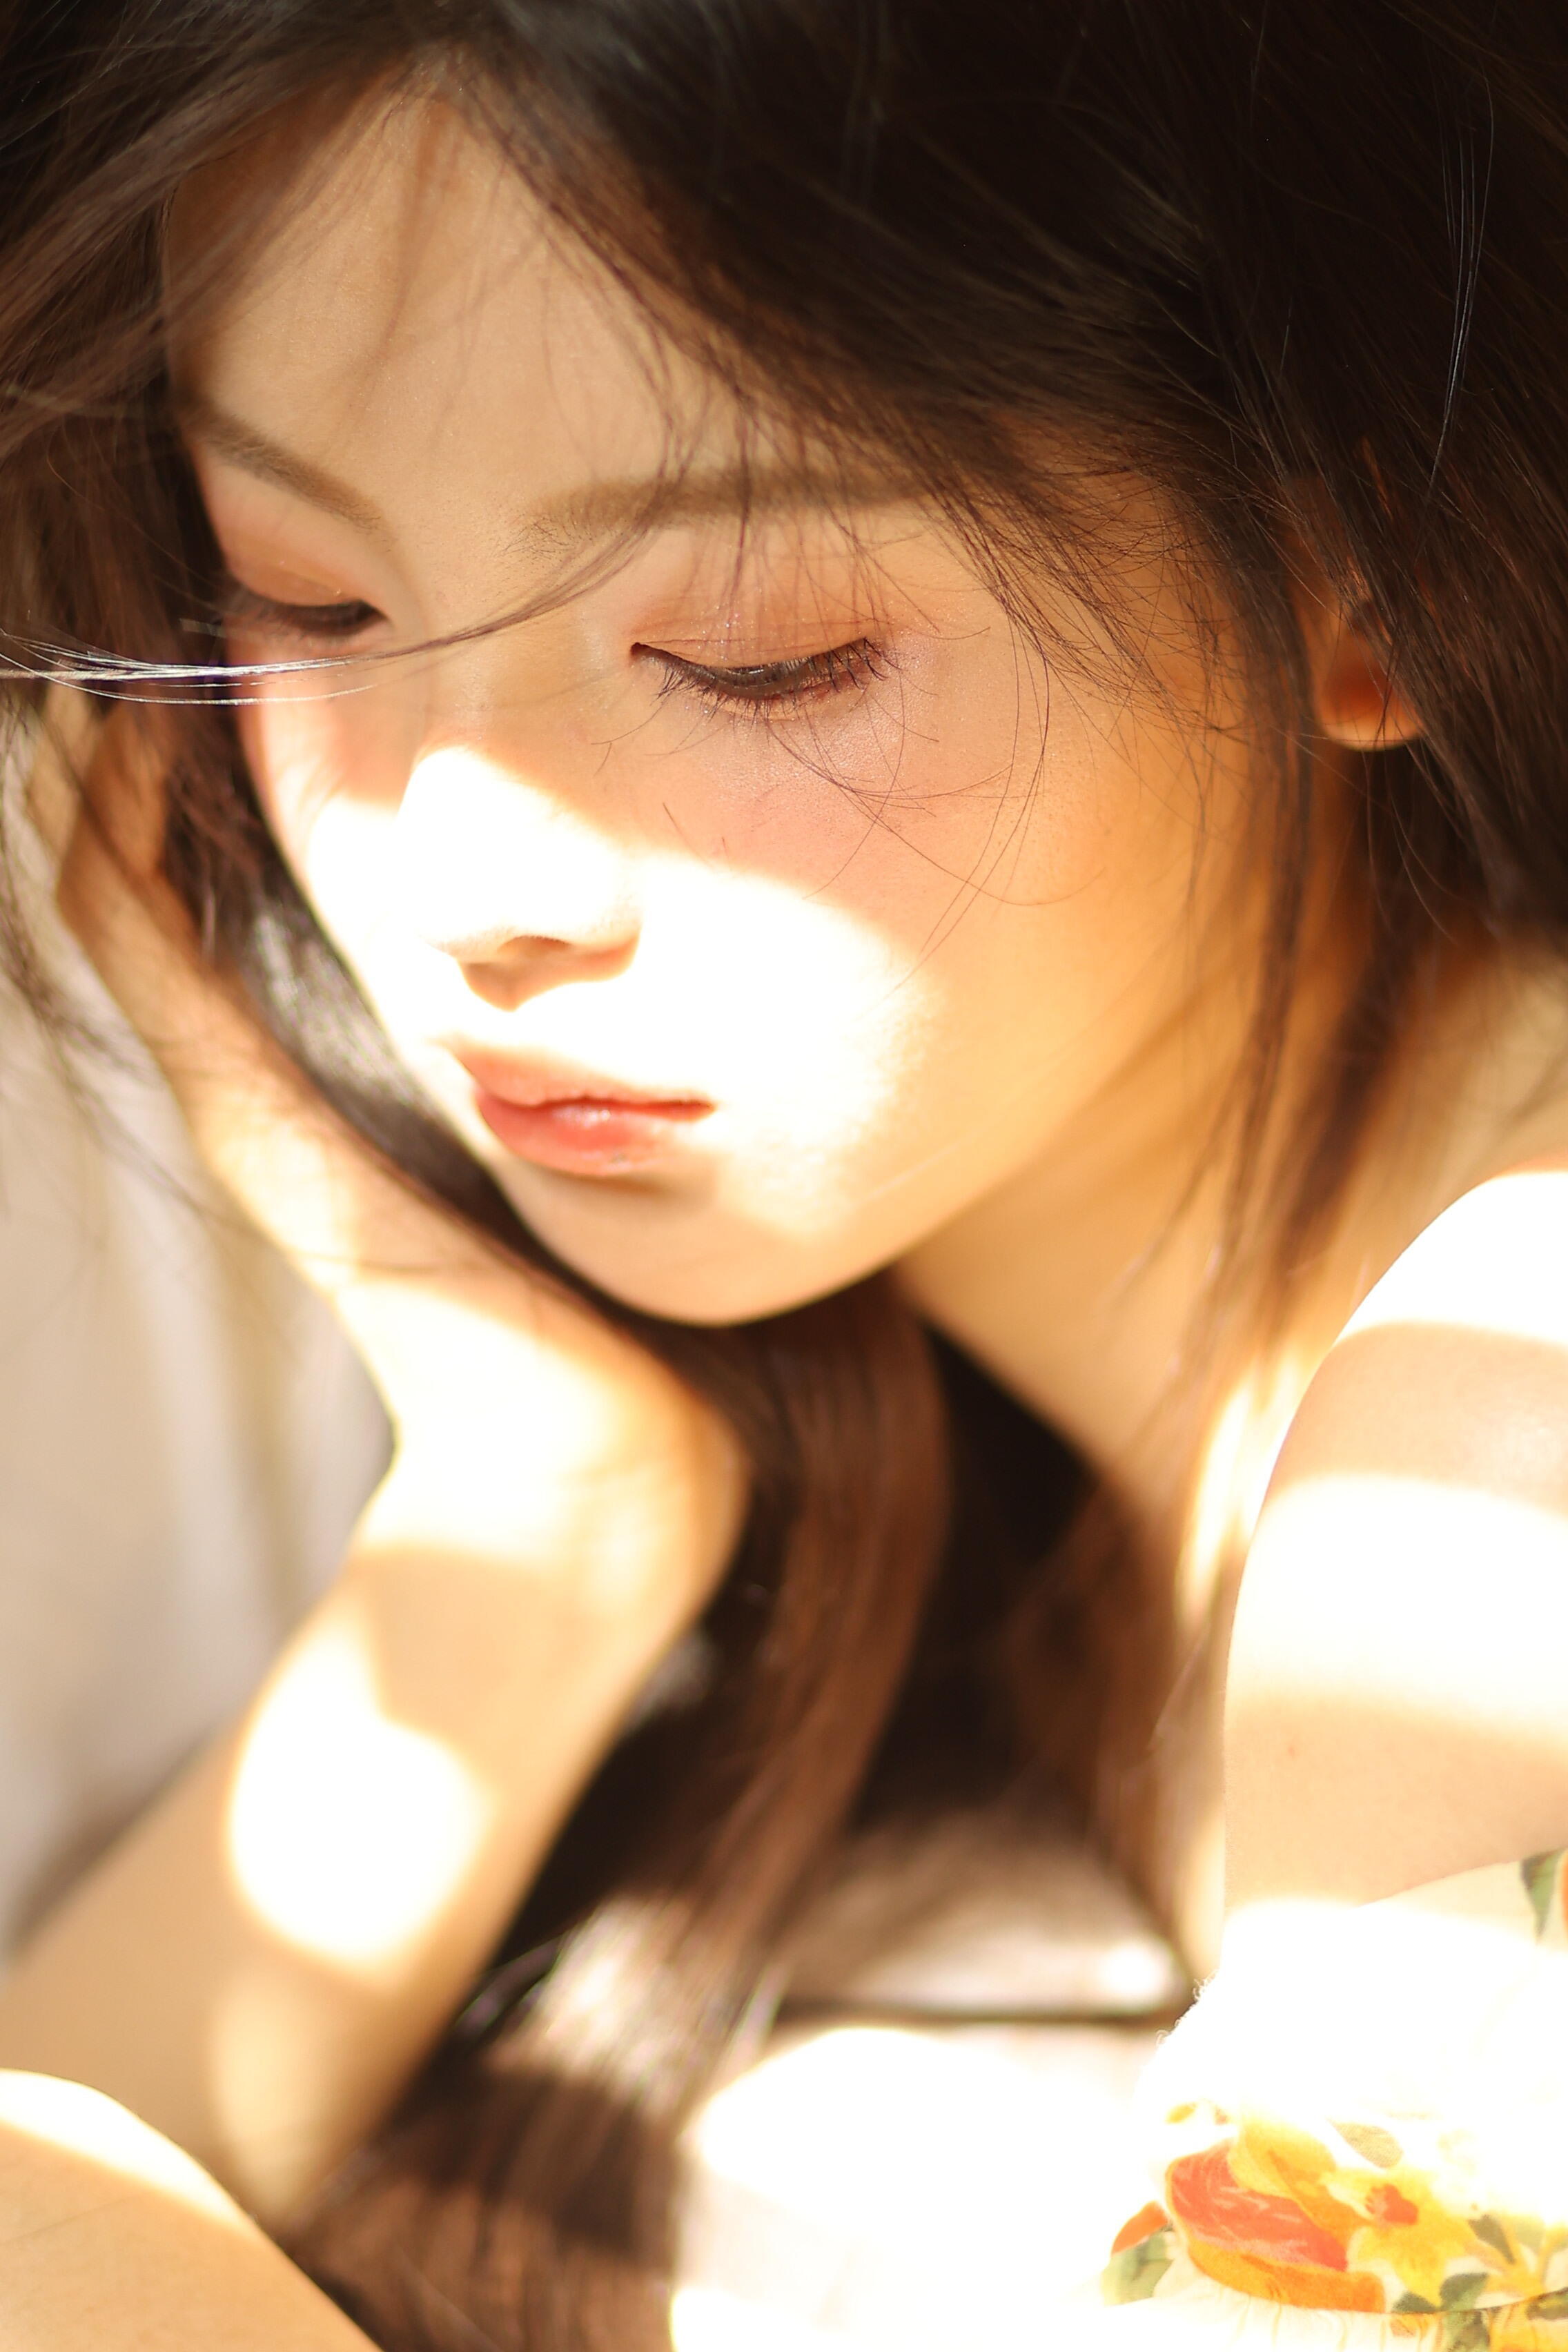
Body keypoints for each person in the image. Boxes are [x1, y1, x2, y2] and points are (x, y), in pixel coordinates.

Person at [1, 3, 1567, 2347]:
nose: (469, 874)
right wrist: (540, 1512)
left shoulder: (1502, 1438)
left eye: (760, 654)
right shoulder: (999, 1525)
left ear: (1374, 560)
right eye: (308, 597)